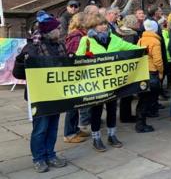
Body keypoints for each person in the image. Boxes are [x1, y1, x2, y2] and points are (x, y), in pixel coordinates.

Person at [76, 14, 142, 152]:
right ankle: (96, 138)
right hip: (96, 84)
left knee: (112, 109)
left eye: (105, 24)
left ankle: (112, 135)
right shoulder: (86, 40)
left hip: (113, 83)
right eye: (100, 24)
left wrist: (145, 48)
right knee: (97, 111)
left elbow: (130, 47)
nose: (104, 26)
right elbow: (78, 60)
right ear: (93, 26)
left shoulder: (114, 39)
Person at [20, 14, 68, 172]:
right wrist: (24, 59)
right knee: (41, 128)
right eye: (57, 28)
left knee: (53, 127)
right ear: (49, 31)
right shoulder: (33, 46)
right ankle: (39, 158)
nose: (60, 30)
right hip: (39, 95)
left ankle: (50, 154)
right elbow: (19, 72)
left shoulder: (60, 45)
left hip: (56, 93)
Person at [63, 13, 89, 144]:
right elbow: (73, 56)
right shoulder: (76, 36)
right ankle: (69, 134)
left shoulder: (80, 34)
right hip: (75, 74)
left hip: (80, 73)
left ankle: (75, 129)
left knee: (77, 103)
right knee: (72, 105)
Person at [137, 20, 164, 132]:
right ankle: (141, 125)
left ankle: (140, 121)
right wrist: (161, 71)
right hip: (152, 72)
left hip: (143, 71)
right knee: (147, 98)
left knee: (142, 98)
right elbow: (157, 60)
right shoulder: (155, 41)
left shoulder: (141, 40)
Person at [118, 15, 140, 123]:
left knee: (124, 93)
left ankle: (124, 115)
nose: (138, 24)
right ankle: (126, 116)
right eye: (136, 22)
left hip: (121, 65)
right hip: (130, 65)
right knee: (128, 93)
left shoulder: (120, 32)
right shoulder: (132, 34)